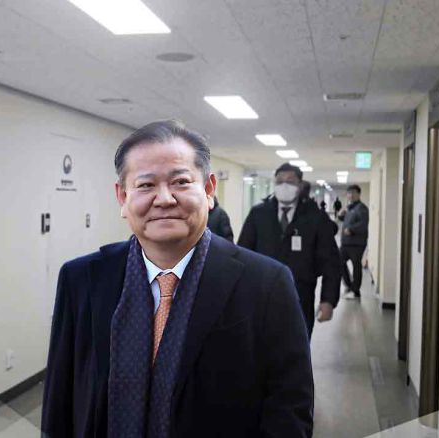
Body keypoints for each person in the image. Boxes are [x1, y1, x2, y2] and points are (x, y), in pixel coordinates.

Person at [41, 120, 314, 438]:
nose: (164, 199)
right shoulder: (82, 281)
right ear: (122, 197)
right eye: (145, 185)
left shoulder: (266, 284)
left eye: (181, 182)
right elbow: (60, 401)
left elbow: (289, 410)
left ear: (209, 190)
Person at [237, 163, 341, 338]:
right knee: (260, 346)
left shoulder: (315, 217)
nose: (284, 185)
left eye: (290, 181)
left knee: (297, 345)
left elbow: (331, 261)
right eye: (280, 181)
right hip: (262, 294)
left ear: (300, 185)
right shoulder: (259, 214)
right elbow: (243, 255)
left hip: (300, 294)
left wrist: (328, 300)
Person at [339, 185, 369, 299]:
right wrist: (341, 215)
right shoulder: (350, 208)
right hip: (346, 243)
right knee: (338, 261)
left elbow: (363, 224)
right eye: (349, 193)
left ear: (358, 194)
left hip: (356, 244)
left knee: (356, 266)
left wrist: (351, 229)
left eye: (353, 193)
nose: (350, 195)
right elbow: (346, 220)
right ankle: (349, 285)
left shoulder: (361, 208)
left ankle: (355, 291)